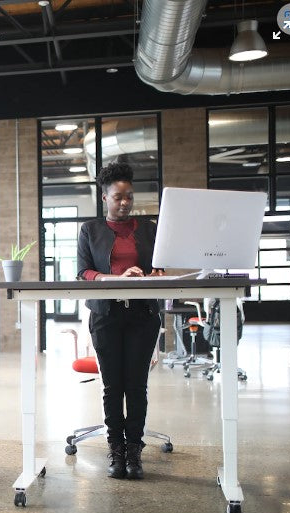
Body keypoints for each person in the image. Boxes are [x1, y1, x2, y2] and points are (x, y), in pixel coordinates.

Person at [76, 162, 163, 480]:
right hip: (105, 315)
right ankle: (116, 448)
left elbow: (160, 264)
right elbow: (84, 272)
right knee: (113, 387)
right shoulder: (90, 230)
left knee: (137, 386)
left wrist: (156, 273)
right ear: (104, 198)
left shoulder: (150, 228)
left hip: (142, 315)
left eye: (128, 197)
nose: (124, 202)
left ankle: (134, 450)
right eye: (117, 197)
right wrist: (116, 277)